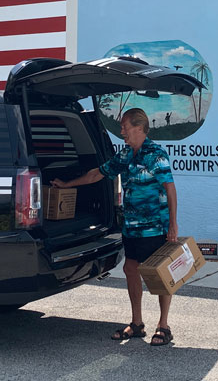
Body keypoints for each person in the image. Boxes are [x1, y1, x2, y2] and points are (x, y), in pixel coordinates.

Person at [51, 107, 178, 346]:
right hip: (132, 228)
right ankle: (137, 323)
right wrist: (67, 185)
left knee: (161, 275)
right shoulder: (126, 154)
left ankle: (163, 326)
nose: (121, 132)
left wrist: (173, 224)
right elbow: (97, 174)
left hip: (155, 227)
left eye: (125, 127)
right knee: (131, 269)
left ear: (139, 128)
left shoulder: (156, 155)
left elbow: (170, 190)